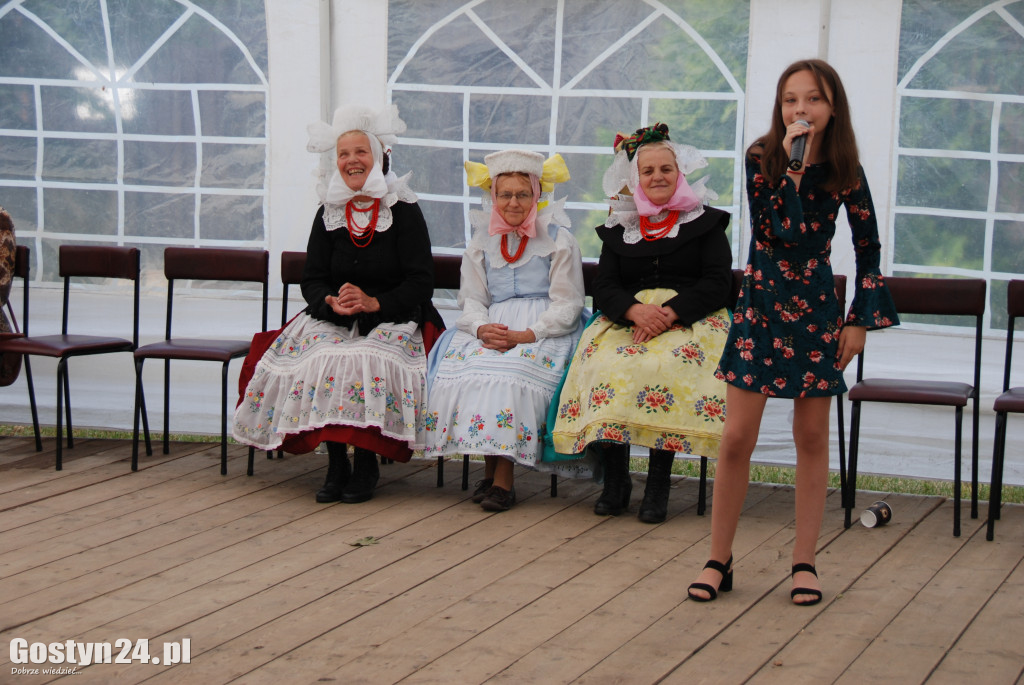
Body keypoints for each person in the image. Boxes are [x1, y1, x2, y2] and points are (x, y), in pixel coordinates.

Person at [687, 59, 899, 605]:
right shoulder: (765, 156)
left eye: (813, 99)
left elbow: (870, 247)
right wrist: (793, 176)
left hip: (816, 309)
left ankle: (804, 561)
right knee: (737, 437)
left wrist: (859, 320)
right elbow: (775, 230)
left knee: (810, 437)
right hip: (761, 304)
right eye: (790, 100)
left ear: (833, 107)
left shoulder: (847, 165)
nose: (800, 110)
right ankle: (719, 558)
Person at [233, 104, 443, 504]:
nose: (351, 161)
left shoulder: (404, 210)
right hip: (336, 316)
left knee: (366, 359)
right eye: (343, 154)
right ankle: (335, 464)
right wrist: (330, 302)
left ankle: (365, 462)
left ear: (380, 157)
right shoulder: (327, 211)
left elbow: (422, 282)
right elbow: (313, 278)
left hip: (395, 316)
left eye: (360, 152)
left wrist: (373, 302)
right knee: (321, 357)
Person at [546, 124, 733, 524]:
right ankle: (617, 480)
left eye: (666, 169)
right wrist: (633, 311)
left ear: (679, 173)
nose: (657, 177)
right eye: (647, 171)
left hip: (690, 319)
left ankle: (659, 485)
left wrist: (670, 313)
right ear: (635, 179)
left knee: (661, 367)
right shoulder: (620, 225)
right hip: (628, 318)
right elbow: (606, 284)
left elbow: (718, 282)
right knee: (610, 366)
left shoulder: (707, 222)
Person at [421, 150, 586, 512]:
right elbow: (472, 299)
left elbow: (568, 305)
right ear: (492, 196)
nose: (513, 202)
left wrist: (528, 334)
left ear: (537, 195)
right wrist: (480, 329)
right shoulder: (482, 241)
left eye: (522, 194)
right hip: (493, 323)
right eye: (505, 194)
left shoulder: (559, 239)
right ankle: (490, 471)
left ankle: (504, 482)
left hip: (543, 327)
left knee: (511, 374)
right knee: (469, 370)